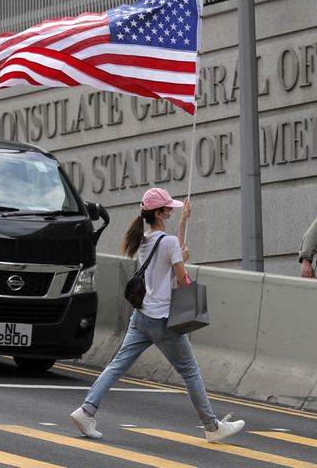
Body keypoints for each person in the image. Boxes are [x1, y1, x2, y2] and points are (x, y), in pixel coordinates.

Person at [70, 187, 245, 442]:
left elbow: (171, 252)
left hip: (140, 318)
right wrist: (184, 261)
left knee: (116, 366)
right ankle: (212, 426)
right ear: (160, 213)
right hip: (164, 321)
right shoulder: (168, 243)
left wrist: (184, 221)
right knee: (191, 372)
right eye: (169, 209)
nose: (171, 211)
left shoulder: (142, 240)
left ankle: (86, 411)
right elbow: (181, 276)